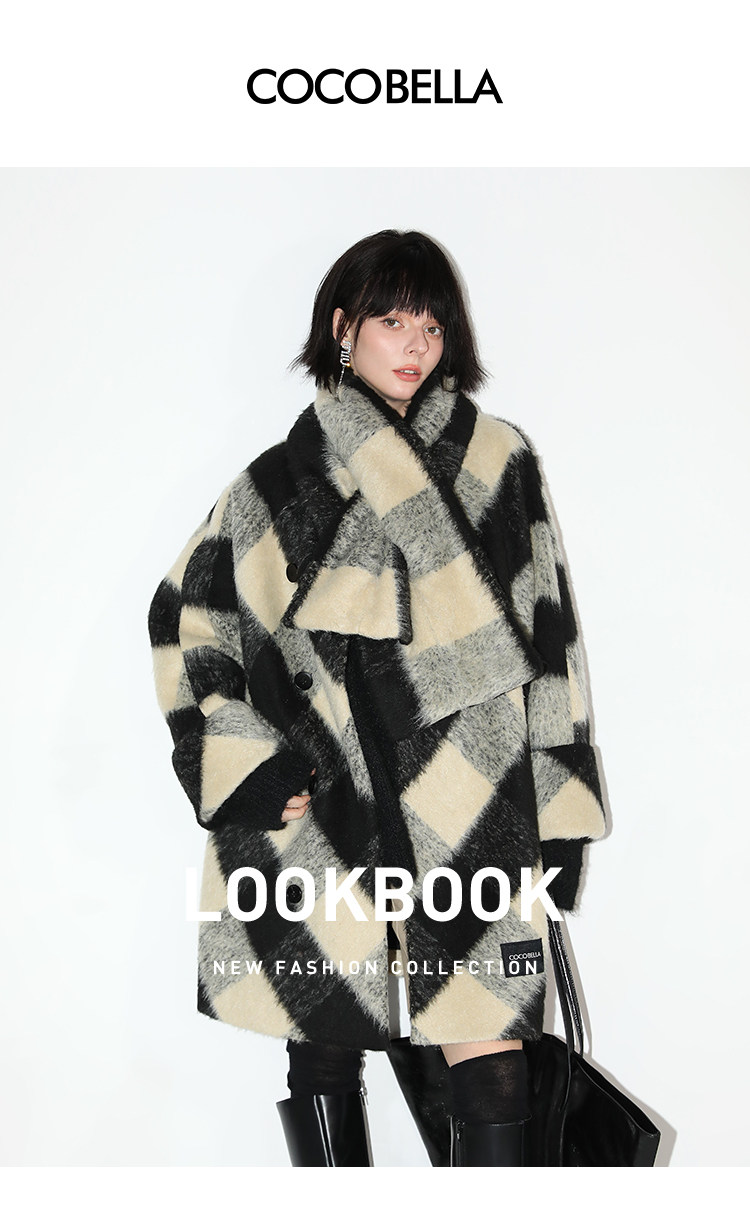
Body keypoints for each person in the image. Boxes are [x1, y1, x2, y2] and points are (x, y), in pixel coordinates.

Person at [148, 229, 606, 1167]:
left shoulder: (496, 461)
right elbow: (187, 621)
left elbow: (551, 636)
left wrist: (559, 808)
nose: (416, 345)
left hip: (468, 800)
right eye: (394, 320)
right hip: (320, 800)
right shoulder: (276, 484)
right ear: (342, 327)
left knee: (490, 1048)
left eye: (433, 326)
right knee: (322, 1039)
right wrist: (242, 759)